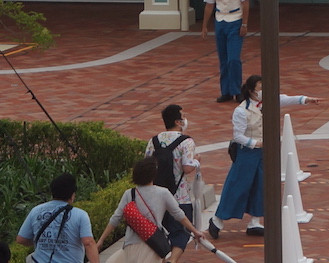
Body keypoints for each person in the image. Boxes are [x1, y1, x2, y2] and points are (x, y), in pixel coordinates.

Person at [211, 74, 312, 240]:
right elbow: (238, 136)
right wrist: (256, 143)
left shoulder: (267, 102)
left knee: (260, 186)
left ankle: (255, 222)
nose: (263, 91)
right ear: (252, 91)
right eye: (260, 87)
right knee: (237, 186)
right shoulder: (241, 111)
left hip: (263, 153)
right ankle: (217, 220)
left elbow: (286, 99)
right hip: (247, 153)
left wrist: (305, 99)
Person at [97, 157, 194, 261]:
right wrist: (194, 231)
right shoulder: (163, 193)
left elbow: (115, 219)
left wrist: (101, 240)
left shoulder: (129, 194)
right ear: (153, 175)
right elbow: (179, 215)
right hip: (154, 245)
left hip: (131, 246)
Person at [14, 172, 97, 263]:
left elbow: (21, 239)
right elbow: (88, 243)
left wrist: (44, 241)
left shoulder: (35, 211)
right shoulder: (80, 215)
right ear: (72, 195)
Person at [146, 106, 202, 239]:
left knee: (161, 238)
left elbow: (147, 166)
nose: (185, 119)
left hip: (157, 197)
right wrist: (197, 161)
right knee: (180, 237)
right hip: (180, 197)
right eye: (183, 116)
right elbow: (187, 168)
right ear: (178, 122)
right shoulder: (186, 141)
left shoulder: (154, 141)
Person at [201, 0, 249, 103]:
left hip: (235, 19)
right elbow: (209, 5)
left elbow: (245, 3)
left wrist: (244, 24)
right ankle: (226, 91)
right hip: (220, 20)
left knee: (233, 59)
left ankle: (237, 90)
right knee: (223, 58)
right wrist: (204, 26)